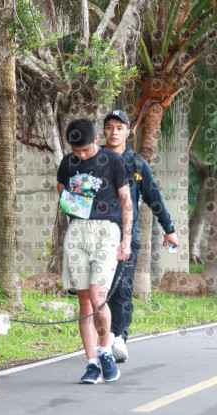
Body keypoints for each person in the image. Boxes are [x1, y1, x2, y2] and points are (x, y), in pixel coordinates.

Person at [57, 118, 133, 384]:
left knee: (99, 297)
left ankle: (105, 351)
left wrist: (126, 239)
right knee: (84, 301)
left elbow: (126, 201)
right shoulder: (68, 163)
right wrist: (73, 201)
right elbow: (62, 193)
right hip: (78, 231)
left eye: (86, 150)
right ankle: (91, 363)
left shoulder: (113, 161)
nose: (81, 155)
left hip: (107, 232)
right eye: (76, 151)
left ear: (96, 142)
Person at [103, 109, 179, 362]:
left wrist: (169, 230)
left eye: (119, 128)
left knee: (123, 288)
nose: (114, 132)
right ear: (105, 130)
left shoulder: (137, 164)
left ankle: (119, 338)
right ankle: (103, 340)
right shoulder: (94, 159)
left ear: (128, 132)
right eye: (110, 127)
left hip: (127, 236)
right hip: (96, 237)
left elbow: (153, 198)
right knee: (99, 290)